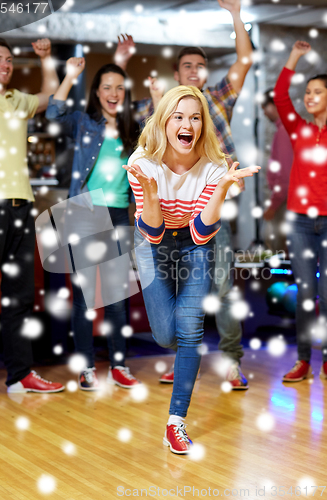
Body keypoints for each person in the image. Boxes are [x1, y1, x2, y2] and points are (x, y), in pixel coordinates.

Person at [116, 0, 253, 389]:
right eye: (187, 66)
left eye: (200, 65)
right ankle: (185, 352)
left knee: (223, 284)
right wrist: (121, 65)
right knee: (173, 293)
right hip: (167, 214)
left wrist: (236, 16)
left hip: (212, 206)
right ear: (177, 74)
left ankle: (230, 360)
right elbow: (122, 113)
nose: (195, 71)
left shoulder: (219, 98)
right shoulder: (162, 107)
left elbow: (244, 59)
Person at [124, 85, 260, 454]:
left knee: (191, 330)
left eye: (196, 117)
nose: (188, 124)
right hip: (152, 243)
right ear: (165, 121)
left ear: (203, 124)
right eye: (179, 116)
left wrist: (223, 188)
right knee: (167, 335)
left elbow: (202, 232)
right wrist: (151, 196)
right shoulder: (143, 162)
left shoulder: (214, 166)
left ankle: (175, 423)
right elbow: (151, 232)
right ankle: (178, 352)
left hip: (195, 243)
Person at [46, 58, 141, 390]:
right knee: (85, 297)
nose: (113, 93)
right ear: (96, 93)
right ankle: (86, 366)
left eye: (118, 88)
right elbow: (52, 113)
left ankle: (118, 365)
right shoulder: (85, 123)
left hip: (117, 214)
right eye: (106, 88)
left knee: (117, 297)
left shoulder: (135, 129)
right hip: (83, 212)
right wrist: (70, 75)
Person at [0, 37, 64, 393]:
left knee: (19, 297)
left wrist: (46, 58)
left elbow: (50, 96)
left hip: (21, 205)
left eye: (8, 59)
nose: (5, 64)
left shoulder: (16, 99)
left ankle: (20, 375)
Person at [273, 41, 327, 382]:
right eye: (307, 92)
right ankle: (304, 359)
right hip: (301, 224)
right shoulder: (300, 130)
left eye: (317, 92)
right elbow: (281, 97)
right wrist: (293, 58)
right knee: (306, 293)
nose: (309, 97)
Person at [261, 89, 293, 254]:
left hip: (285, 201)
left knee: (281, 253)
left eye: (264, 107)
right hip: (285, 199)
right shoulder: (285, 130)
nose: (264, 113)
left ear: (273, 106)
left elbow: (286, 176)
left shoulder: (284, 132)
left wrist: (273, 206)